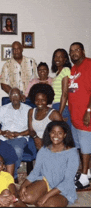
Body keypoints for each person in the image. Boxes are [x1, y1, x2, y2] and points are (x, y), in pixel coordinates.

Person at [19, 121, 79, 207]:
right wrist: (23, 186)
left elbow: (67, 181)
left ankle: (47, 197)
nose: (56, 136)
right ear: (49, 133)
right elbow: (35, 172)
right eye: (53, 132)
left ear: (65, 135)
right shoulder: (44, 150)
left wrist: (46, 196)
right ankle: (40, 194)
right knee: (25, 198)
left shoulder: (72, 153)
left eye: (60, 133)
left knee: (48, 205)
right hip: (45, 183)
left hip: (63, 189)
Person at [0, 87, 31, 183]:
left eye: (16, 95)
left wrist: (17, 134)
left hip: (20, 137)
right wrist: (3, 132)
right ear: (9, 97)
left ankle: (11, 177)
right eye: (12, 95)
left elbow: (32, 129)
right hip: (3, 137)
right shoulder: (3, 108)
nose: (14, 97)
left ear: (21, 96)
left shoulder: (28, 109)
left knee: (16, 149)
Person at [68, 42, 91, 189]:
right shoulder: (73, 68)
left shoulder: (89, 65)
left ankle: (84, 178)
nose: (74, 53)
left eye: (77, 50)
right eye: (72, 51)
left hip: (85, 115)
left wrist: (89, 111)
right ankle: (87, 172)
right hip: (74, 116)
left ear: (82, 51)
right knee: (79, 146)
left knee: (85, 146)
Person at [28, 83, 63, 150]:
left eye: (43, 100)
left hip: (52, 141)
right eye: (37, 100)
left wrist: (46, 141)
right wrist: (36, 137)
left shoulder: (54, 114)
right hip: (36, 140)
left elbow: (61, 133)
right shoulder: (31, 111)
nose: (40, 103)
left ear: (47, 100)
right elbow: (31, 130)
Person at [51, 48, 72, 127]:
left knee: (65, 134)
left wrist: (59, 113)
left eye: (60, 57)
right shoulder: (57, 73)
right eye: (56, 56)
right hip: (55, 105)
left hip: (62, 107)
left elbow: (65, 93)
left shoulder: (66, 70)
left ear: (65, 59)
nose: (57, 59)